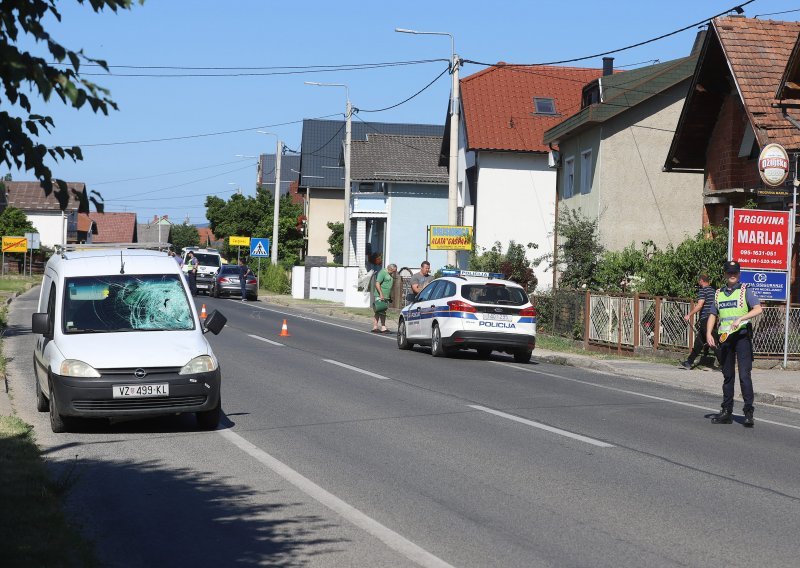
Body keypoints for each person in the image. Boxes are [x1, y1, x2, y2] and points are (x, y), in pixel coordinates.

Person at [706, 261, 763, 427]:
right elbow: (712, 314)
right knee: (728, 375)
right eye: (729, 272)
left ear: (739, 274)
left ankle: (748, 412)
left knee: (744, 375)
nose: (732, 275)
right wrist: (709, 333)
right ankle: (726, 412)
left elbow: (758, 309)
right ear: (724, 273)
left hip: (742, 337)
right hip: (725, 339)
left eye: (735, 272)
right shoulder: (718, 294)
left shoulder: (746, 290)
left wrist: (741, 318)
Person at [679, 273, 719, 370]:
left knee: (713, 342)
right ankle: (689, 362)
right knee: (699, 342)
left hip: (706, 318)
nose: (698, 282)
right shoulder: (713, 291)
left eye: (698, 280)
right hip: (713, 318)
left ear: (701, 280)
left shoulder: (703, 291)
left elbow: (700, 305)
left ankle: (724, 364)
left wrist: (689, 315)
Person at [372, 263, 397, 333]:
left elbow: (388, 286)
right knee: (378, 310)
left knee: (383, 311)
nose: (394, 272)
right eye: (394, 271)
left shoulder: (390, 274)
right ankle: (375, 327)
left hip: (386, 296)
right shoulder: (382, 273)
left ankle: (383, 327)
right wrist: (381, 294)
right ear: (390, 269)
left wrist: (389, 296)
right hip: (380, 295)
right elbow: (377, 283)